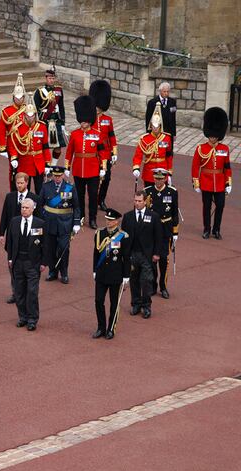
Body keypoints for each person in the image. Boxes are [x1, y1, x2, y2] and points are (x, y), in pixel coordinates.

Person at [6, 198, 48, 331]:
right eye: (22, 207)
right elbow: (9, 242)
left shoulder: (40, 223)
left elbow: (45, 245)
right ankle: (22, 317)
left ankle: (32, 319)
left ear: (32, 209)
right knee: (19, 291)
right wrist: (10, 258)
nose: (23, 210)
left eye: (26, 208)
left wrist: (44, 262)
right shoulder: (14, 221)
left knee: (32, 292)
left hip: (32, 263)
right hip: (18, 261)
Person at [65, 95, 107, 230]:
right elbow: (69, 152)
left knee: (93, 196)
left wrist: (103, 168)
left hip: (93, 170)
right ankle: (81, 217)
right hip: (78, 169)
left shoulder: (97, 134)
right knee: (79, 196)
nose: (82, 122)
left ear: (89, 121)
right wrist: (67, 167)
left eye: (85, 120)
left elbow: (102, 153)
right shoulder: (75, 134)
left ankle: (93, 219)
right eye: (81, 120)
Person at [0, 172, 40, 304]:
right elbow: (4, 215)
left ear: (27, 183)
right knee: (12, 265)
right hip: (12, 238)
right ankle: (16, 292)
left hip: (28, 238)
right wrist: (1, 233)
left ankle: (25, 293)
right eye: (17, 183)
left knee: (28, 267)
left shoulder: (34, 198)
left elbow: (39, 219)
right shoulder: (10, 197)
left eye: (22, 183)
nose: (19, 185)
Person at [121, 190, 163, 319]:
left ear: (145, 201)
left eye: (140, 201)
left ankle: (146, 306)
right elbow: (123, 236)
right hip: (133, 254)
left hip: (147, 255)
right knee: (134, 280)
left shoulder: (154, 216)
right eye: (135, 201)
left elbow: (158, 236)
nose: (137, 203)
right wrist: (124, 253)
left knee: (146, 281)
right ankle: (136, 304)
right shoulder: (127, 216)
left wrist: (157, 253)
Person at [192, 107, 232, 240]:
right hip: (206, 182)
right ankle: (206, 229)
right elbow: (195, 167)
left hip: (220, 182)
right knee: (207, 207)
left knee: (220, 206)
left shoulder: (224, 149)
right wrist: (196, 183)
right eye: (211, 135)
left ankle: (216, 229)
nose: (213, 137)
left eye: (215, 135)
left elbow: (227, 167)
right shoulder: (201, 148)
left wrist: (228, 183)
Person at [92, 208, 130, 340]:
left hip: (116, 275)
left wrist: (126, 277)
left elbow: (126, 258)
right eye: (107, 220)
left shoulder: (123, 236)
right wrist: (94, 270)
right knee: (98, 300)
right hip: (102, 273)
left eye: (111, 220)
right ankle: (101, 327)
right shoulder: (99, 233)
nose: (108, 222)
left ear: (117, 221)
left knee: (114, 303)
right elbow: (96, 254)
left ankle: (111, 328)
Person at [39, 166, 80, 284]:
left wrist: (76, 222)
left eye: (59, 176)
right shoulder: (46, 186)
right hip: (49, 222)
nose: (57, 178)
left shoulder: (70, 187)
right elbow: (40, 203)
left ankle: (64, 273)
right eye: (55, 176)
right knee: (50, 248)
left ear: (63, 175)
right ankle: (52, 271)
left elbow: (76, 206)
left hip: (65, 223)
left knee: (64, 248)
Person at [144, 169, 178, 299]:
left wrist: (175, 232)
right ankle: (153, 285)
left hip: (165, 229)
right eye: (156, 178)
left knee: (164, 259)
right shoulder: (148, 191)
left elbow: (174, 212)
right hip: (151, 229)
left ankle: (163, 286)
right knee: (152, 259)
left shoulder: (172, 192)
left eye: (161, 179)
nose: (158, 181)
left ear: (165, 179)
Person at [6, 101, 50, 195]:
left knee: (40, 190)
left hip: (38, 163)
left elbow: (45, 147)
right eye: (28, 116)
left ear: (35, 115)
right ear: (24, 115)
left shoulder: (41, 127)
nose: (30, 118)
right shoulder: (18, 128)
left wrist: (47, 163)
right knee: (25, 190)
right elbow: (13, 145)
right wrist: (14, 158)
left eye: (32, 116)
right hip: (24, 162)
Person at [89, 79, 118, 211]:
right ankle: (93, 199)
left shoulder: (108, 120)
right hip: (93, 153)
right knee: (93, 179)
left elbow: (112, 137)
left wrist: (115, 153)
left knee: (106, 179)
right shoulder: (89, 119)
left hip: (106, 154)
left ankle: (101, 200)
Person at [132, 103, 173, 188]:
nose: (155, 128)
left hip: (163, 170)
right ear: (151, 126)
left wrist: (169, 172)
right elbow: (138, 155)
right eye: (153, 126)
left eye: (157, 126)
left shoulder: (166, 138)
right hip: (149, 172)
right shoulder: (145, 139)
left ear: (160, 126)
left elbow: (169, 156)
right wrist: (136, 167)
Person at [0, 73, 27, 191]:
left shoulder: (28, 110)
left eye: (21, 97)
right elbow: (1, 130)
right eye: (17, 97)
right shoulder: (6, 111)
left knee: (25, 169)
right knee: (14, 170)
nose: (19, 100)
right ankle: (14, 191)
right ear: (13, 97)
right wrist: (2, 147)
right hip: (12, 144)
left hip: (25, 145)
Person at [34, 68, 66, 165]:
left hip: (56, 120)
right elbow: (36, 108)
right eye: (49, 78)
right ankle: (45, 163)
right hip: (44, 120)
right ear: (46, 78)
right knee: (44, 144)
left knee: (58, 146)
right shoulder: (39, 91)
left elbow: (61, 107)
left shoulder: (59, 90)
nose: (51, 80)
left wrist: (63, 122)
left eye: (53, 78)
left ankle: (53, 164)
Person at [145, 82, 177, 151]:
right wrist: (148, 133)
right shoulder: (152, 102)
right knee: (160, 150)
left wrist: (174, 133)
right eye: (164, 91)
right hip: (157, 132)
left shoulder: (172, 102)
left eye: (168, 91)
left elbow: (173, 118)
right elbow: (148, 119)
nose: (166, 93)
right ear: (160, 91)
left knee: (168, 151)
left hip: (168, 132)